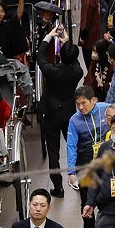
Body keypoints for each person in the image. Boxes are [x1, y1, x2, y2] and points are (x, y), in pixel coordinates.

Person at [37, 34, 83, 199]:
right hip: (69, 113)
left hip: (51, 113)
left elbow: (40, 55)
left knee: (53, 151)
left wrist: (48, 36)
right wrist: (67, 43)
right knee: (74, 146)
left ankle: (58, 187)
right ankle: (79, 178)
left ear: (59, 55)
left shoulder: (51, 71)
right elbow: (76, 61)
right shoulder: (78, 72)